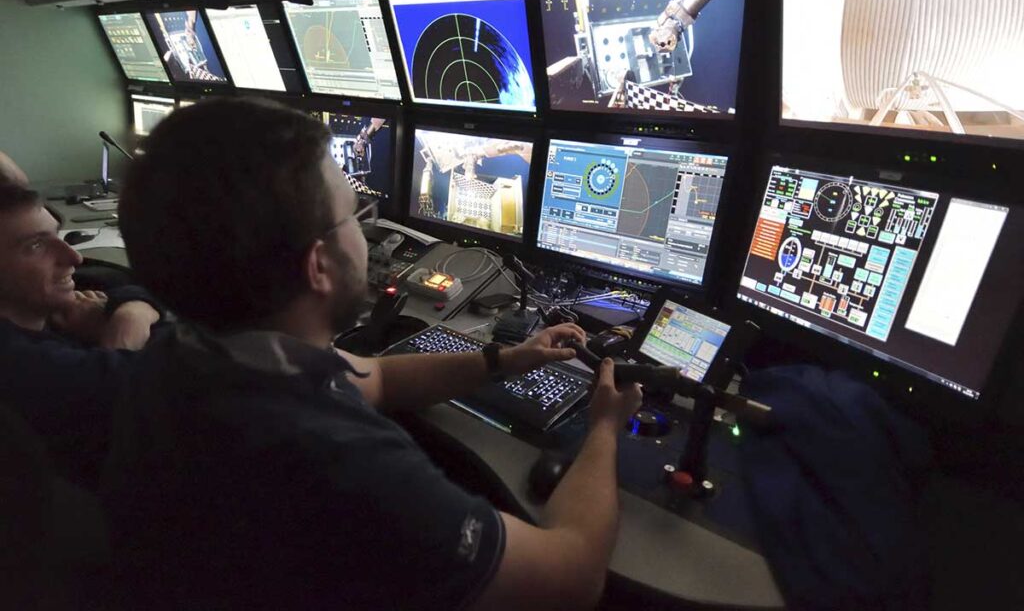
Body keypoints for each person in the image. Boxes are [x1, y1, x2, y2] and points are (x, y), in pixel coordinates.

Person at [107, 97, 643, 611]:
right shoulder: (344, 464)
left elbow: (378, 377)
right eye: (356, 217)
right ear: (318, 265)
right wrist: (603, 428)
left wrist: (502, 360)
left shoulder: (187, 355)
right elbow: (572, 579)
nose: (366, 236)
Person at [0, 155, 162, 485]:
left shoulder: (48, 304)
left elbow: (130, 285)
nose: (73, 257)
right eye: (35, 245)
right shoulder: (25, 363)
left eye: (56, 235)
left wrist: (131, 308)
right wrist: (124, 328)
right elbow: (145, 385)